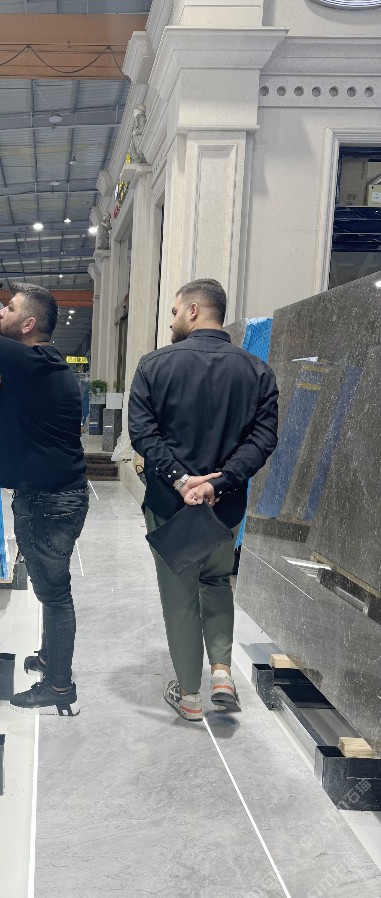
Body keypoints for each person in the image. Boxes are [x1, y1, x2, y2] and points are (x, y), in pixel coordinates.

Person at [0, 218, 88, 717]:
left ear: (27, 325)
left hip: (49, 503)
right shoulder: (38, 368)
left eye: (7, 309)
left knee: (56, 594)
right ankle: (50, 659)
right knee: (52, 589)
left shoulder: (32, 363)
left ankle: (60, 686)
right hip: (53, 498)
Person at [128, 279, 278, 721]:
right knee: (216, 582)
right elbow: (263, 439)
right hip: (223, 509)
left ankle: (190, 695)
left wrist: (180, 480)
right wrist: (219, 483)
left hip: (170, 508)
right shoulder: (257, 372)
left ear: (193, 310)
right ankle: (222, 673)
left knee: (179, 594)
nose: (172, 321)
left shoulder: (154, 366)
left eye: (175, 311)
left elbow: (143, 433)